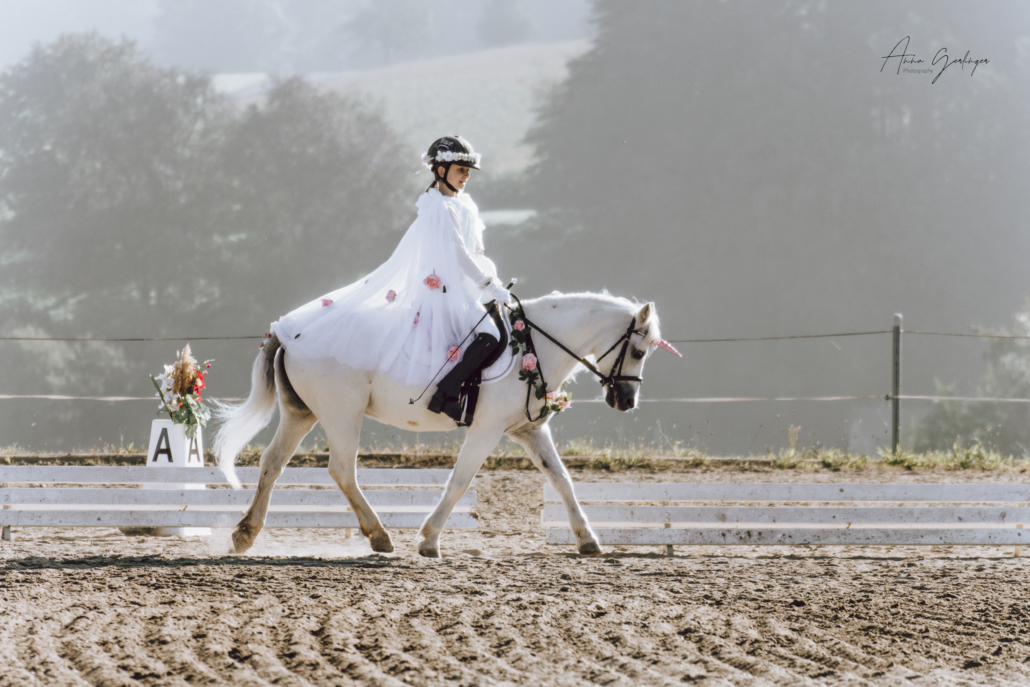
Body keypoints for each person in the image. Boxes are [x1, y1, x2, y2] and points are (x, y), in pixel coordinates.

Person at [269, 136, 510, 422]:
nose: (467, 176)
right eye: (461, 170)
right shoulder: (441, 208)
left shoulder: (461, 203)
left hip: (464, 289)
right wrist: (490, 285)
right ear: (441, 170)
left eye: (468, 171)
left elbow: (475, 250)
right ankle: (446, 393)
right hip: (446, 293)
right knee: (491, 335)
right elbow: (459, 253)